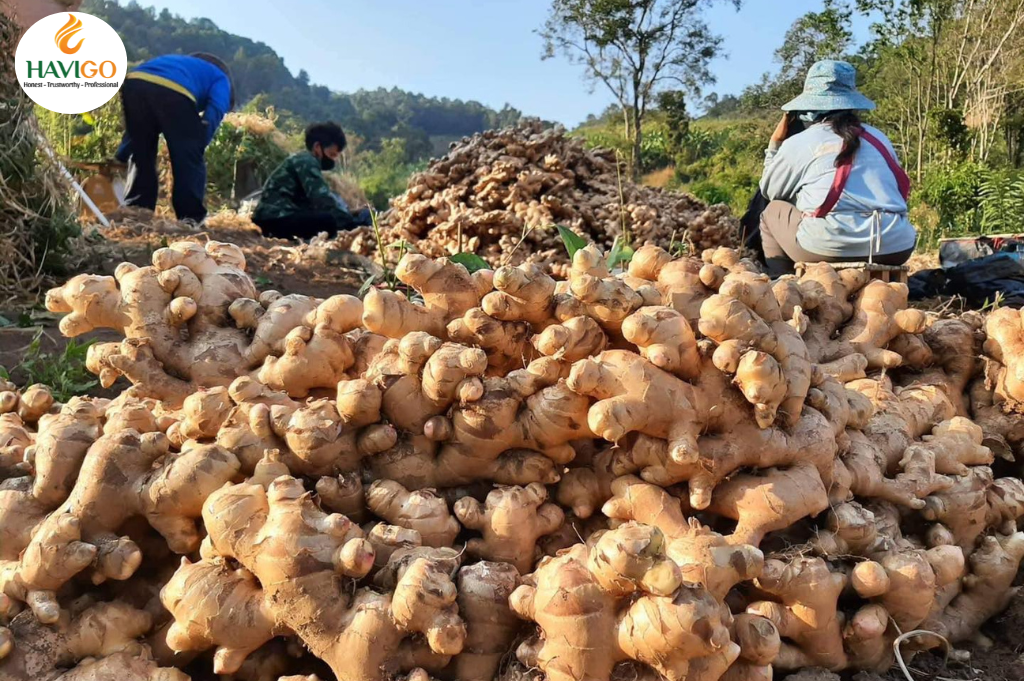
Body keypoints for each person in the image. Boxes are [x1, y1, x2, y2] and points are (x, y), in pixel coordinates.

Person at [758, 60, 916, 278]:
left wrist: (775, 144)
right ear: (852, 103)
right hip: (895, 246)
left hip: (827, 248)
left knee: (772, 210)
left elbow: (770, 190)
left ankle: (784, 286)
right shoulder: (880, 138)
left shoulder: (802, 142)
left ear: (808, 108)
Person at [120, 53, 235, 223]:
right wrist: (198, 144)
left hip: (134, 82)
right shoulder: (221, 78)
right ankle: (191, 218)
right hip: (173, 91)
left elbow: (134, 135)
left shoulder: (182, 65)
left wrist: (122, 153)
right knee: (187, 155)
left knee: (141, 151)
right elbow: (216, 109)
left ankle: (138, 211)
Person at [252, 122, 373, 240]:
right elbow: (322, 199)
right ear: (317, 147)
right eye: (331, 154)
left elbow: (313, 204)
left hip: (272, 218)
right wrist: (350, 223)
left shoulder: (302, 160)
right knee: (327, 221)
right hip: (275, 219)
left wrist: (351, 212)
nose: (332, 160)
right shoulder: (307, 161)